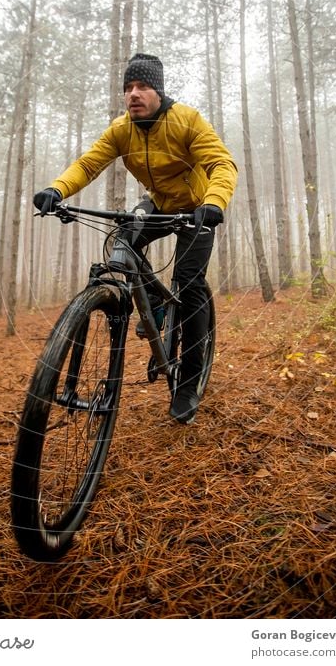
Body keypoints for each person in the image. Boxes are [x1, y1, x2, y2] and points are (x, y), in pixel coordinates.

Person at [34, 53, 238, 424]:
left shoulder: (187, 120)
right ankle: (156, 308)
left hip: (197, 208)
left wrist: (213, 202)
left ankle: (189, 382)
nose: (134, 94)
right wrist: (57, 189)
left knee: (189, 283)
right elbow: (88, 164)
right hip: (160, 204)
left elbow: (222, 164)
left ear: (158, 91)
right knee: (122, 241)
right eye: (128, 87)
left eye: (142, 86)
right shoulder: (121, 129)